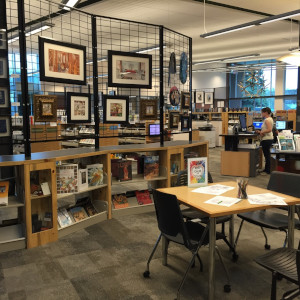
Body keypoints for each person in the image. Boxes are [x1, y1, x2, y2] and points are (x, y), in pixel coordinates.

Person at [259, 107, 274, 175]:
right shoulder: (270, 119)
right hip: (269, 139)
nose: (261, 114)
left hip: (266, 139)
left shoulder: (267, 120)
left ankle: (267, 170)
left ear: (265, 112)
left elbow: (269, 129)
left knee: (267, 155)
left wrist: (262, 132)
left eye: (262, 112)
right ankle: (266, 169)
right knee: (267, 155)